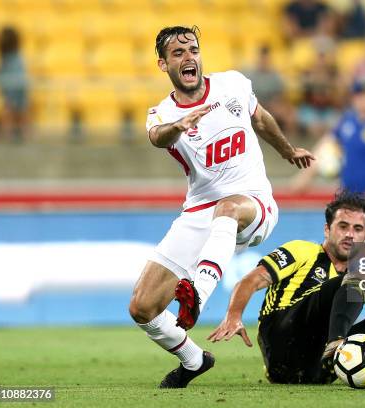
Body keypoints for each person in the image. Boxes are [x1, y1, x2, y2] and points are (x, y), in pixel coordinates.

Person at [127, 25, 315, 389]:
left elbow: (260, 118)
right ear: (162, 64)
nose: (189, 57)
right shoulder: (161, 113)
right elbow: (156, 137)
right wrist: (178, 125)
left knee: (227, 207)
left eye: (193, 50)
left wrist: (288, 151)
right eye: (178, 53)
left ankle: (196, 293)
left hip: (252, 203)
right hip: (199, 212)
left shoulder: (233, 84)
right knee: (142, 307)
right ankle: (194, 360)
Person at [208, 190, 365, 384]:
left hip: (316, 367)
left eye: (357, 229)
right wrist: (234, 315)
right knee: (360, 275)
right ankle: (337, 345)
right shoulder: (302, 250)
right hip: (282, 344)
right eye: (343, 226)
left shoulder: (356, 273)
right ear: (327, 229)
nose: (350, 235)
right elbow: (250, 280)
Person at [292, 78, 365, 241]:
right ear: (354, 98)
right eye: (360, 95)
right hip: (346, 202)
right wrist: (305, 177)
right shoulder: (346, 122)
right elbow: (325, 148)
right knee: (342, 250)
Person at [0, 26, 29, 142]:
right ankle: (12, 136)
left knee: (11, 111)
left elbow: (6, 71)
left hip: (15, 85)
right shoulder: (10, 55)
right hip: (15, 85)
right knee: (15, 111)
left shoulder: (14, 56)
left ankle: (8, 136)